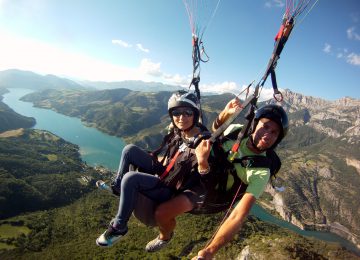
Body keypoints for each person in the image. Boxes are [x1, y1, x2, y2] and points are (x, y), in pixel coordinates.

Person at [95, 90, 212, 248]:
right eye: (176, 113)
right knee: (129, 150)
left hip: (170, 188)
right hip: (164, 171)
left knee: (131, 178)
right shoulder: (181, 131)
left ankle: (119, 227)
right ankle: (118, 187)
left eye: (187, 112)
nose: (181, 117)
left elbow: (206, 183)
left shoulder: (204, 143)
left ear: (195, 114)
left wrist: (203, 162)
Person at [191, 99, 289, 260]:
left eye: (274, 133)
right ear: (253, 125)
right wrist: (225, 113)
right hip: (199, 175)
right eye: (265, 127)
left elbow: (238, 215)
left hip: (211, 197)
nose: (267, 135)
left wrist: (209, 252)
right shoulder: (237, 131)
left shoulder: (261, 171)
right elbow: (216, 131)